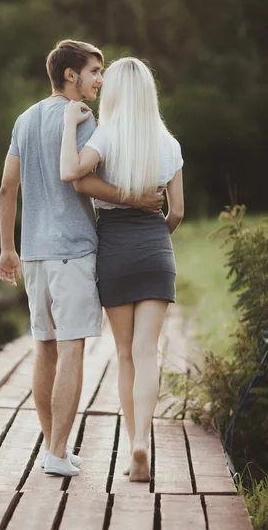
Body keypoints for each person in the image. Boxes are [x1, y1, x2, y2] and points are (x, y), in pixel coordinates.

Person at [0, 41, 164, 477]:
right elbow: (80, 182)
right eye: (94, 70)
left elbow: (6, 189)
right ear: (70, 75)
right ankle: (55, 452)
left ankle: (55, 447)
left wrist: (7, 247)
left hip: (32, 252)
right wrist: (137, 198)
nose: (100, 79)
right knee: (72, 351)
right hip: (72, 250)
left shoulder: (25, 119)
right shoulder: (84, 120)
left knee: (44, 348)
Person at [60, 56, 184, 482]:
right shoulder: (169, 143)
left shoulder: (106, 134)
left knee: (126, 354)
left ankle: (132, 440)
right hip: (155, 249)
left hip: (113, 249)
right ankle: (141, 443)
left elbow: (76, 173)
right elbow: (178, 212)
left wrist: (68, 126)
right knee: (150, 353)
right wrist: (155, 244)